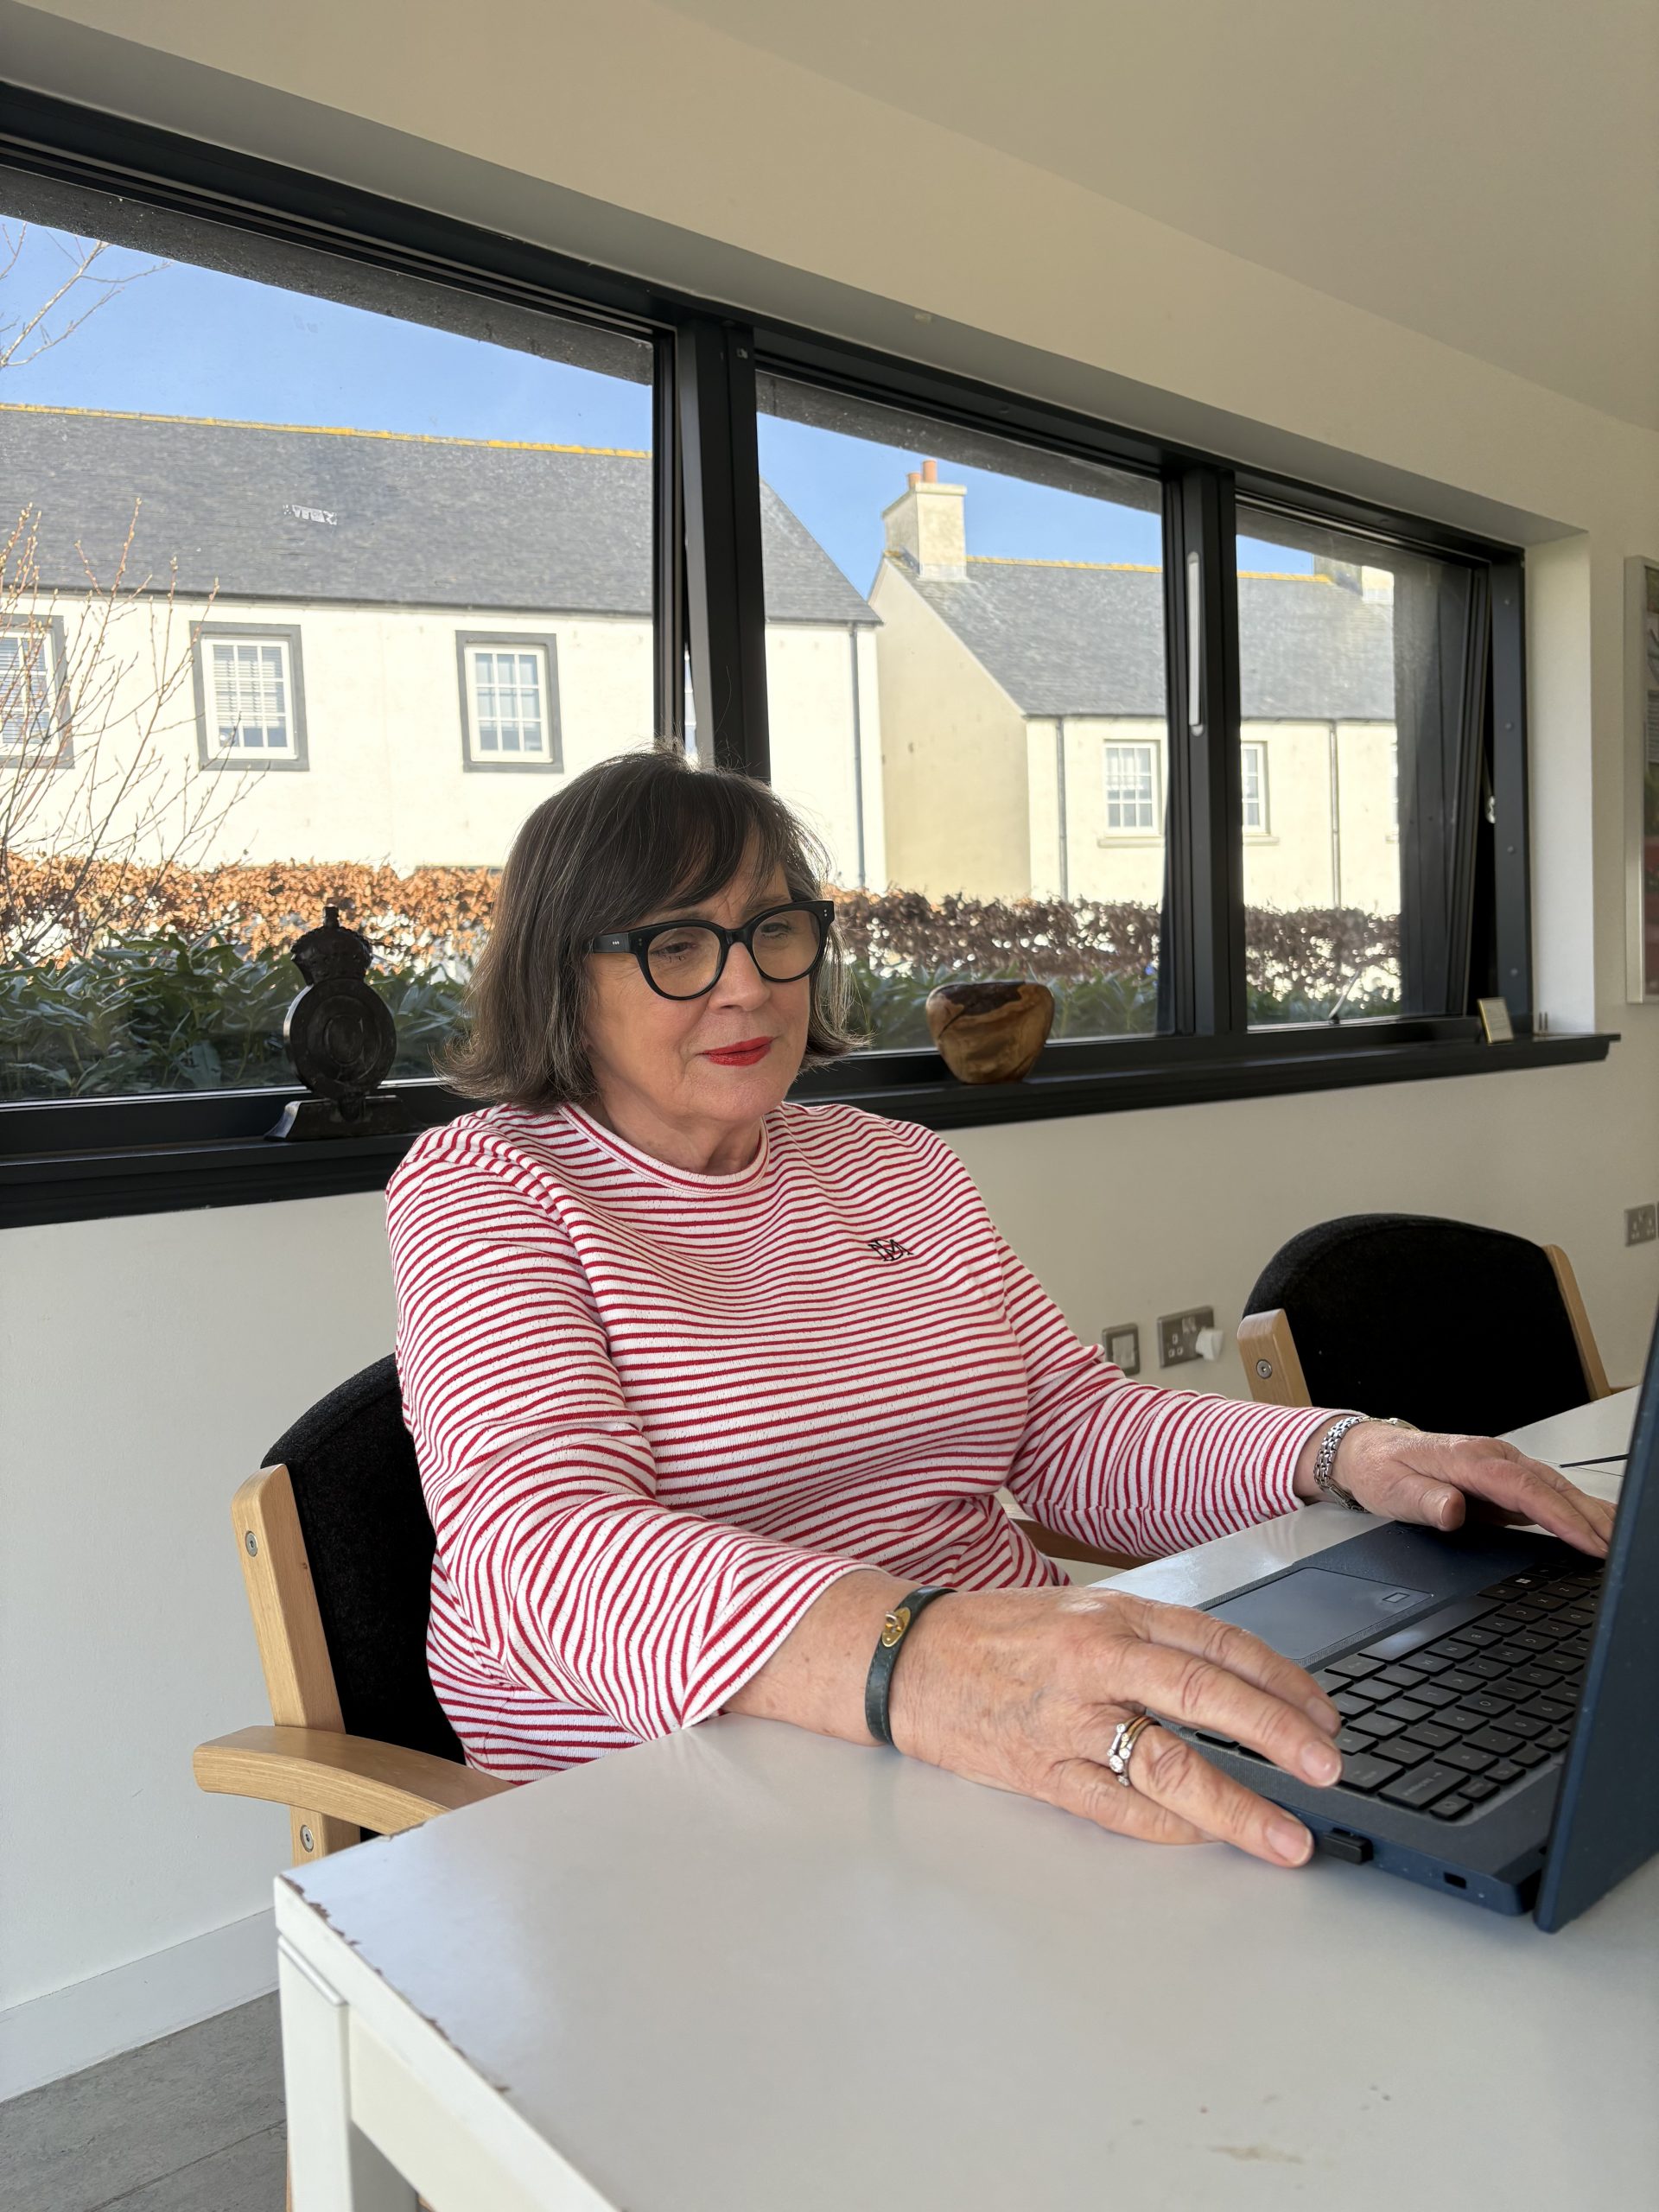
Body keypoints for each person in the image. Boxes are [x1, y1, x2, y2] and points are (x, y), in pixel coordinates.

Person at [388, 750, 1612, 1868]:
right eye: (676, 945)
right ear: (563, 974)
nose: (747, 986)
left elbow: (1072, 1430)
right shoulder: (487, 1186)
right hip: (679, 1809)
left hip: (996, 1736)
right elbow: (535, 1550)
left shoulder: (892, 1164)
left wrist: (1345, 1453)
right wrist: (918, 1659)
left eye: (773, 929)